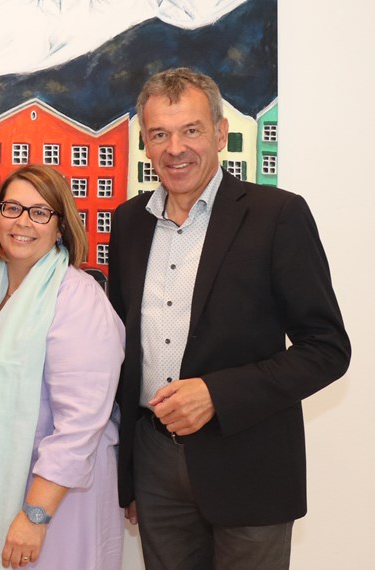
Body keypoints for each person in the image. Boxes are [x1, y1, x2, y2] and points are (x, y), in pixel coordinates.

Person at [108, 67, 351, 569]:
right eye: (160, 134)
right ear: (145, 144)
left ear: (220, 133)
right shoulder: (129, 224)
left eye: (191, 130)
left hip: (250, 465)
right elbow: (124, 353)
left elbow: (326, 349)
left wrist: (217, 395)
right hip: (154, 465)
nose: (176, 148)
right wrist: (128, 474)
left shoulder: (277, 215)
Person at [0, 165, 125, 569]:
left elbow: (81, 423)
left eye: (40, 212)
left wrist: (36, 515)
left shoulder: (78, 299)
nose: (23, 222)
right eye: (12, 208)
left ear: (60, 227)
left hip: (54, 502)